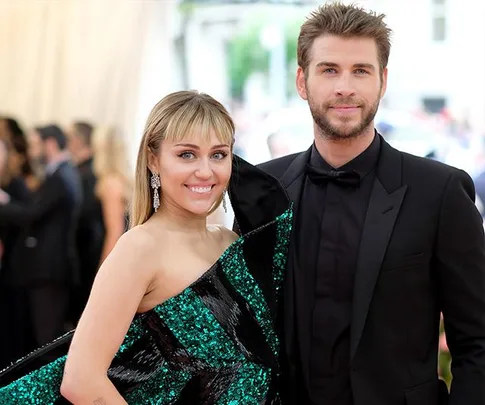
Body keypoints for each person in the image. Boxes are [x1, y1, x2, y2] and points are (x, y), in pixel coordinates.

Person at [0, 90, 292, 404]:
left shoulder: (229, 241)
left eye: (218, 154)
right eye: (187, 155)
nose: (206, 171)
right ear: (154, 159)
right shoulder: (139, 249)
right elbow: (81, 380)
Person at [258, 3, 485, 405]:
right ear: (302, 81)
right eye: (329, 70)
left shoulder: (440, 191)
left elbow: (478, 343)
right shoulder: (261, 189)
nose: (345, 87)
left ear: (382, 81)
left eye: (360, 71)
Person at [0, 125, 82, 350]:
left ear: (50, 144)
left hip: (50, 269)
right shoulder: (62, 172)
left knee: (46, 341)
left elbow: (32, 214)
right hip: (51, 268)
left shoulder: (60, 176)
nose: (32, 150)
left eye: (36, 144)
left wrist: (4, 204)